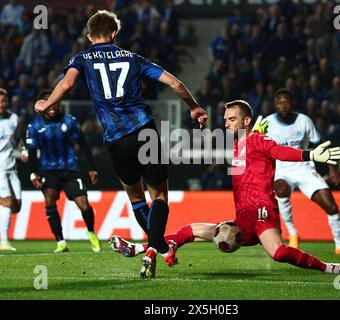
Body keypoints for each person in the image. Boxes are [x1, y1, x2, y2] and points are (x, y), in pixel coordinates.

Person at [34, 10, 208, 278]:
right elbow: (174, 83)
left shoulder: (82, 58)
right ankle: (157, 247)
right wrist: (194, 108)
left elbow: (67, 84)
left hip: (116, 139)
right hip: (145, 131)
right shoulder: (132, 58)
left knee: (136, 197)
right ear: (115, 34)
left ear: (89, 35)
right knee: (159, 196)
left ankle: (157, 248)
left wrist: (47, 103)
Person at [110, 100, 340, 275]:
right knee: (190, 231)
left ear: (246, 120)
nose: (227, 123)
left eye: (232, 119)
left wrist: (309, 154)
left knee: (280, 253)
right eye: (226, 119)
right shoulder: (238, 144)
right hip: (242, 221)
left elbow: (280, 151)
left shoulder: (260, 140)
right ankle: (146, 247)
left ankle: (332, 268)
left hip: (262, 214)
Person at [264, 88, 340, 255]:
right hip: (281, 170)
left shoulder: (304, 121)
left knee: (330, 204)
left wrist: (333, 169)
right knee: (281, 190)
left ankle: (339, 246)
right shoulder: (267, 123)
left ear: (292, 104)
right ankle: (293, 234)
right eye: (280, 102)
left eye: (287, 102)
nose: (283, 105)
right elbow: (256, 147)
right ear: (275, 105)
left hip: (304, 168)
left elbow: (322, 144)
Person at [27, 89, 101, 253]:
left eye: (54, 101)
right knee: (49, 200)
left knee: (84, 205)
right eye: (47, 102)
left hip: (71, 169)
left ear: (59, 102)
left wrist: (91, 168)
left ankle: (90, 231)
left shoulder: (70, 121)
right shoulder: (34, 126)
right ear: (41, 105)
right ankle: (60, 241)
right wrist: (33, 173)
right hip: (48, 170)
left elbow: (83, 145)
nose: (52, 105)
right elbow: (32, 153)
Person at [0, 88, 27, 251]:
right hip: (0, 169)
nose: (2, 104)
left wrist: (23, 151)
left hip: (12, 169)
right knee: (8, 202)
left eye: (4, 101)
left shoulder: (13, 118)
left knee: (17, 205)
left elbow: (17, 140)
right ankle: (4, 241)